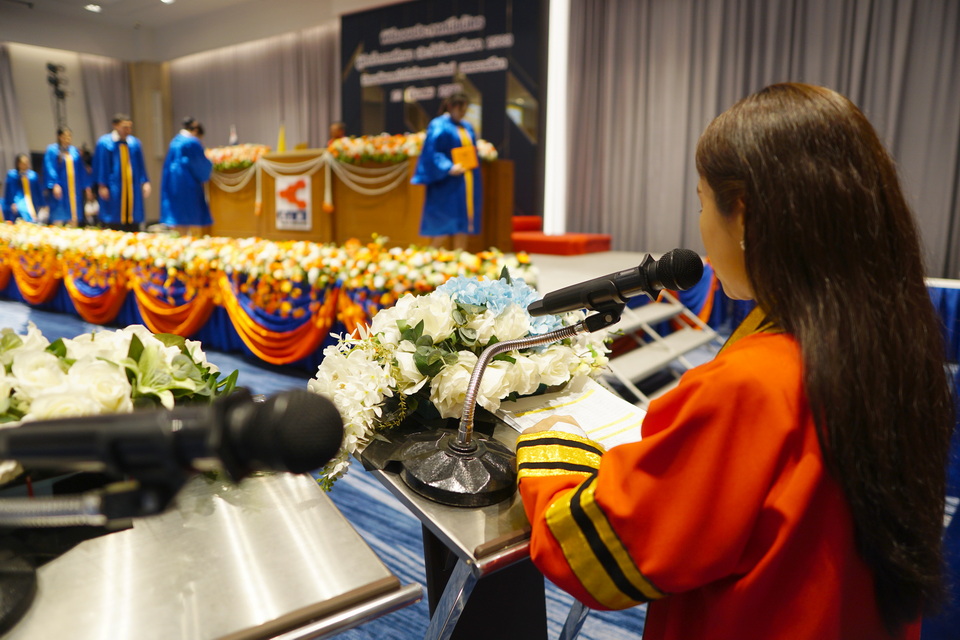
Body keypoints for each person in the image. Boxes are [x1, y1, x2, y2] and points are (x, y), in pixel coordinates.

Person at [516, 83, 954, 640]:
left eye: (702, 203)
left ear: (743, 213)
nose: (700, 226)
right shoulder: (892, 347)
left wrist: (550, 446)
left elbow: (597, 551)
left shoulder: (755, 384)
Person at [411, 93, 482, 250]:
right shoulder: (439, 125)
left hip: (466, 180)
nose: (463, 113)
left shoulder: (466, 126)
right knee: (443, 222)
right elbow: (432, 151)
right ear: (450, 107)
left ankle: (460, 257)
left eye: (465, 110)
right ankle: (430, 257)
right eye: (460, 109)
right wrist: (448, 167)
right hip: (446, 182)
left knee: (464, 222)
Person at [93, 113, 151, 232]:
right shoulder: (105, 143)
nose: (128, 130)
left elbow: (140, 165)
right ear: (115, 126)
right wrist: (102, 185)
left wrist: (145, 182)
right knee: (114, 218)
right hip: (114, 186)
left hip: (132, 186)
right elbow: (101, 165)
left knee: (133, 217)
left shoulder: (134, 143)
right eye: (124, 127)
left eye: (129, 127)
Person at [160, 117, 213, 236]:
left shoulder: (175, 141)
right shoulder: (192, 142)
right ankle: (187, 239)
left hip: (172, 182)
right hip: (187, 182)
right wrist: (208, 168)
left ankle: (179, 237)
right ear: (196, 131)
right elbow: (200, 164)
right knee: (187, 212)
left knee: (177, 213)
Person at [43, 127, 92, 227]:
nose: (67, 138)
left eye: (69, 136)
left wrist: (87, 186)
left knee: (74, 214)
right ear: (59, 137)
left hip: (74, 189)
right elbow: (50, 167)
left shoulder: (74, 151)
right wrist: (55, 184)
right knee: (58, 214)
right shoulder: (52, 150)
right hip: (61, 188)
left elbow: (81, 170)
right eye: (64, 136)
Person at [2, 153, 44, 223]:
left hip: (32, 201)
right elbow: (9, 191)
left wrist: (42, 204)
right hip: (18, 200)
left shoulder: (33, 176)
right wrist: (11, 203)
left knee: (33, 217)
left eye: (26, 163)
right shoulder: (12, 175)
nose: (25, 165)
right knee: (21, 213)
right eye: (23, 163)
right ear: (18, 164)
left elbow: (38, 190)